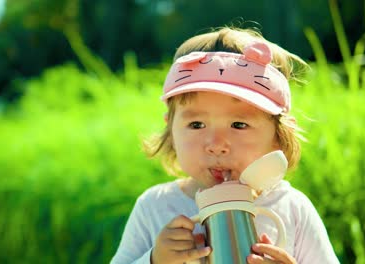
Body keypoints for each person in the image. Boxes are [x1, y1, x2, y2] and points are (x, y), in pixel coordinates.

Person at [111, 27, 339, 264]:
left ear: (278, 136)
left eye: (239, 125)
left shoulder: (291, 208)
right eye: (197, 124)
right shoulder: (156, 206)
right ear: (171, 130)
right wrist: (154, 259)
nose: (217, 145)